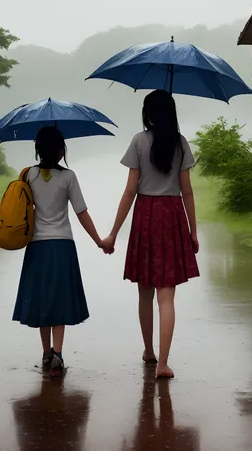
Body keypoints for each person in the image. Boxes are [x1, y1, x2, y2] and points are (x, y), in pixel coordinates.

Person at [102, 90, 199, 379]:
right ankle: (163, 364)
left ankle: (149, 351)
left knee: (145, 291)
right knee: (166, 297)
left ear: (147, 113)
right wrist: (193, 232)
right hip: (171, 217)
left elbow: (130, 191)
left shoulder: (138, 141)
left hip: (145, 216)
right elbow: (187, 191)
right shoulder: (180, 144)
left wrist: (112, 233)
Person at [12, 126, 106, 377]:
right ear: (62, 149)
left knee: (42, 299)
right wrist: (99, 241)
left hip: (37, 245)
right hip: (62, 245)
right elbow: (81, 212)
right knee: (59, 300)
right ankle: (58, 354)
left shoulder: (27, 176)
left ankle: (45, 353)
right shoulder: (68, 177)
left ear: (37, 149)